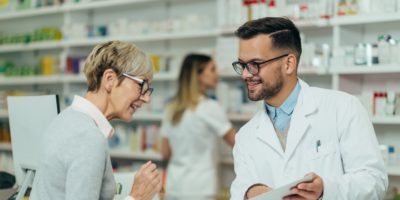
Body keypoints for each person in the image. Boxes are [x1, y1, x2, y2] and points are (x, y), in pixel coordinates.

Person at [230, 17, 388, 200]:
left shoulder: (343, 108)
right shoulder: (246, 136)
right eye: (242, 65)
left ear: (289, 63)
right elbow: (239, 189)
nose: (246, 74)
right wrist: (250, 192)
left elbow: (375, 182)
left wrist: (325, 190)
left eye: (255, 64)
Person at [30, 41, 162, 200]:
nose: (146, 98)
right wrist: (136, 197)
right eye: (142, 85)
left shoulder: (66, 118)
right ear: (110, 79)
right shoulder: (88, 138)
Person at [160, 54, 236, 200]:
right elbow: (237, 142)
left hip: (174, 186)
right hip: (201, 188)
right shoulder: (209, 107)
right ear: (198, 75)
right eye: (212, 69)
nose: (217, 74)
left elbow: (165, 152)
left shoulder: (171, 108)